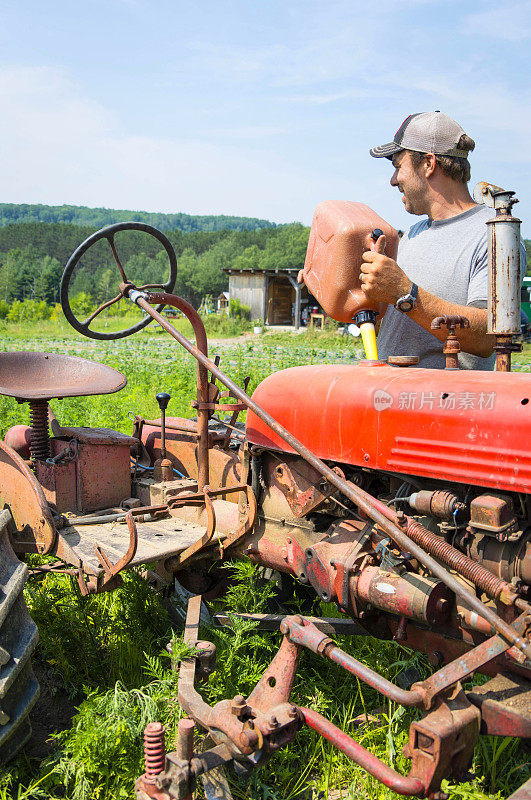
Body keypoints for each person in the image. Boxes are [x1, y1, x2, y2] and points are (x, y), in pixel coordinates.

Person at [362, 111, 523, 369]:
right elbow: (396, 322)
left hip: (446, 404)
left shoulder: (492, 235)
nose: (393, 181)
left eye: (397, 167)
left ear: (428, 163)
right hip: (391, 398)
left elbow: (489, 338)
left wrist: (406, 293)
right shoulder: (413, 234)